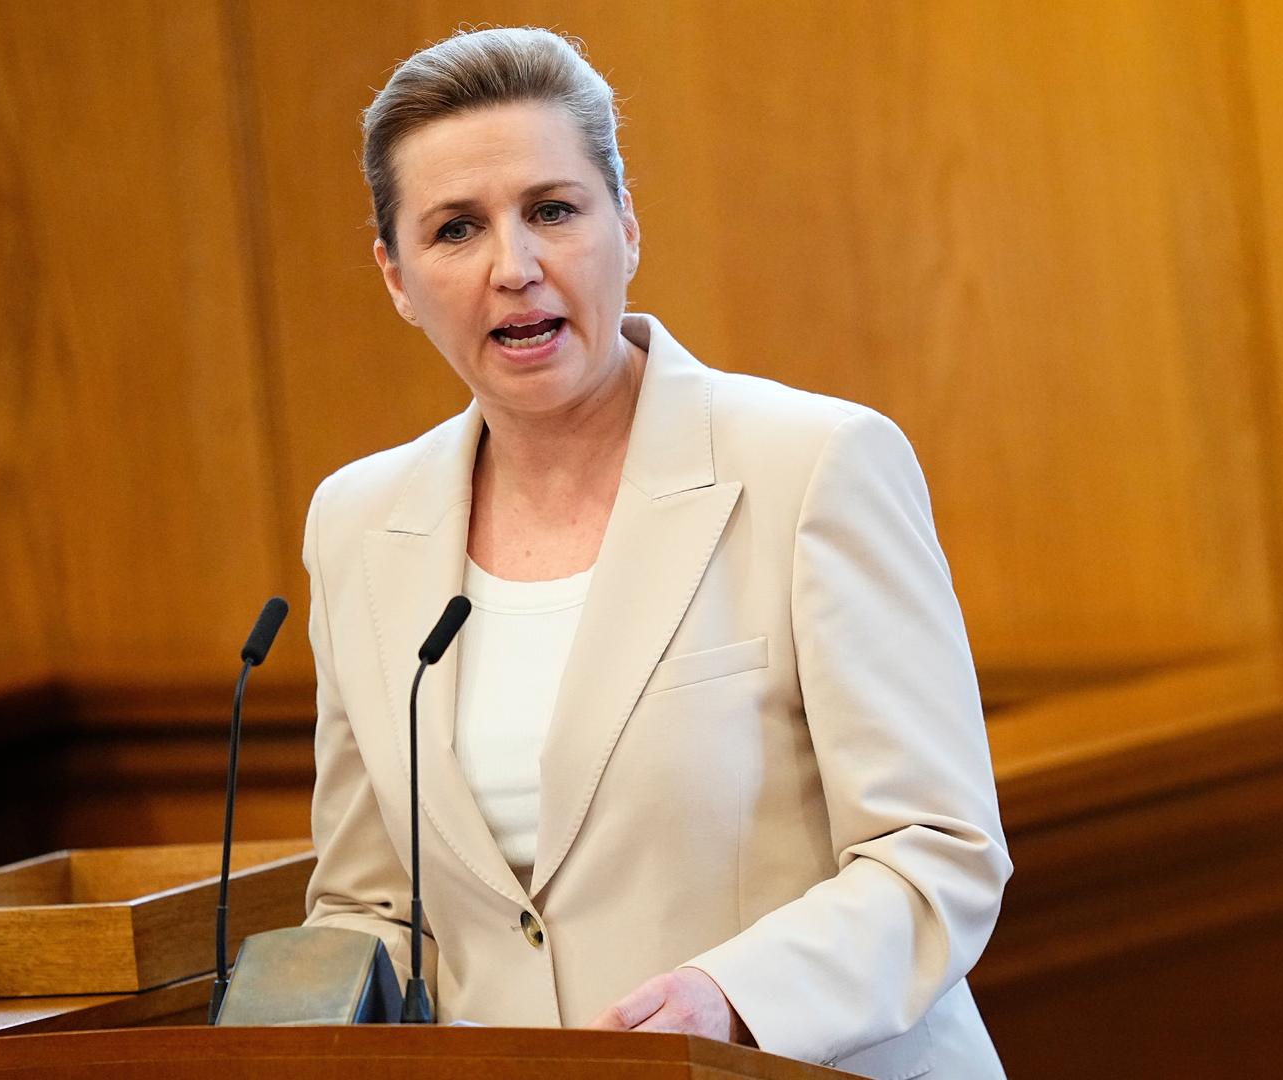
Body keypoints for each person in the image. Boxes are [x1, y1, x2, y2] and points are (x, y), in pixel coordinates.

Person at [299, 26, 1011, 1079]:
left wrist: (732, 997)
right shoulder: (357, 525)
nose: (517, 267)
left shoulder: (812, 465)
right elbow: (367, 901)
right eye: (457, 229)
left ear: (626, 226)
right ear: (396, 276)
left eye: (554, 210)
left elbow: (933, 857)